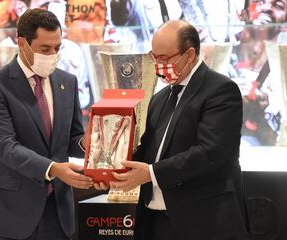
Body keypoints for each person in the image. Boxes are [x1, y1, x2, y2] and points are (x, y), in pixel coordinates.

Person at [105, 20, 250, 240]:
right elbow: (148, 150)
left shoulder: (220, 90)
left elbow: (211, 152)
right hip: (156, 222)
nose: (158, 66)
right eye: (154, 57)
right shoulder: (160, 98)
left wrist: (151, 173)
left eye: (163, 58)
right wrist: (112, 168)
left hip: (204, 223)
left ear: (190, 54)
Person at [0, 9, 94, 240]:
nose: (53, 55)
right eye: (45, 49)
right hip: (9, 214)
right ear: (22, 43)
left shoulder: (67, 82)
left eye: (57, 48)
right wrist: (53, 169)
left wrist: (88, 143)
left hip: (57, 214)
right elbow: (5, 146)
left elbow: (71, 138)